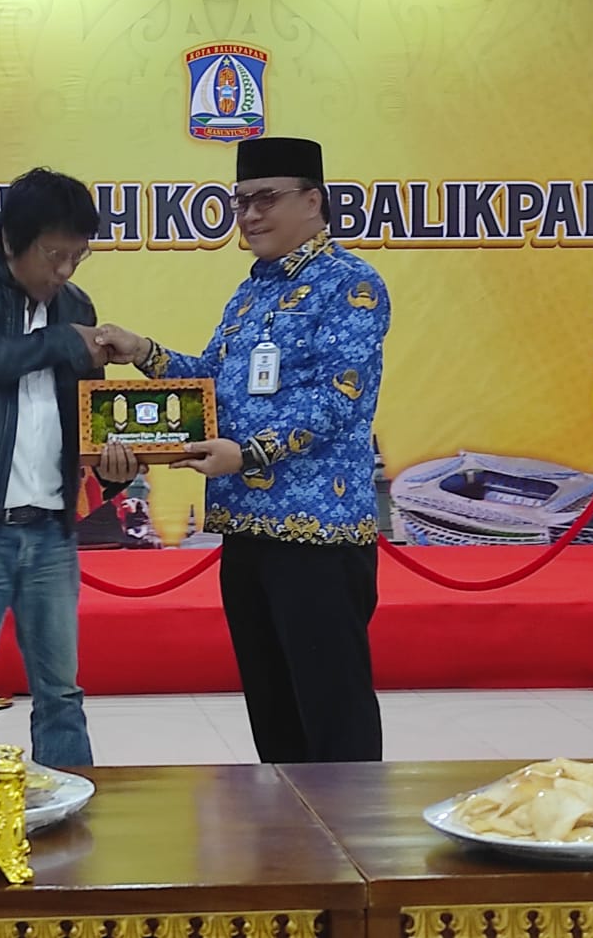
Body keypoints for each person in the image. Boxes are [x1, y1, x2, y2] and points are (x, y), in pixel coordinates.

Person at [97, 136, 391, 764]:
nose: (250, 215)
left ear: (313, 201)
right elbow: (213, 385)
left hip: (318, 535)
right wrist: (143, 352)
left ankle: (349, 825)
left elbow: (337, 398)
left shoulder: (351, 285)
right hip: (244, 527)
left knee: (332, 709)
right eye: (240, 202)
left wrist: (249, 453)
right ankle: (286, 823)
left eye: (266, 199)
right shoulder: (251, 292)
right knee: (272, 706)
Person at [0, 168, 136, 768]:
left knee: (61, 694)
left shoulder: (76, 306)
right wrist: (65, 340)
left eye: (78, 256)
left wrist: (114, 468)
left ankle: (75, 810)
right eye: (54, 255)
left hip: (50, 530)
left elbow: (90, 414)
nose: (65, 271)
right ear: (12, 240)